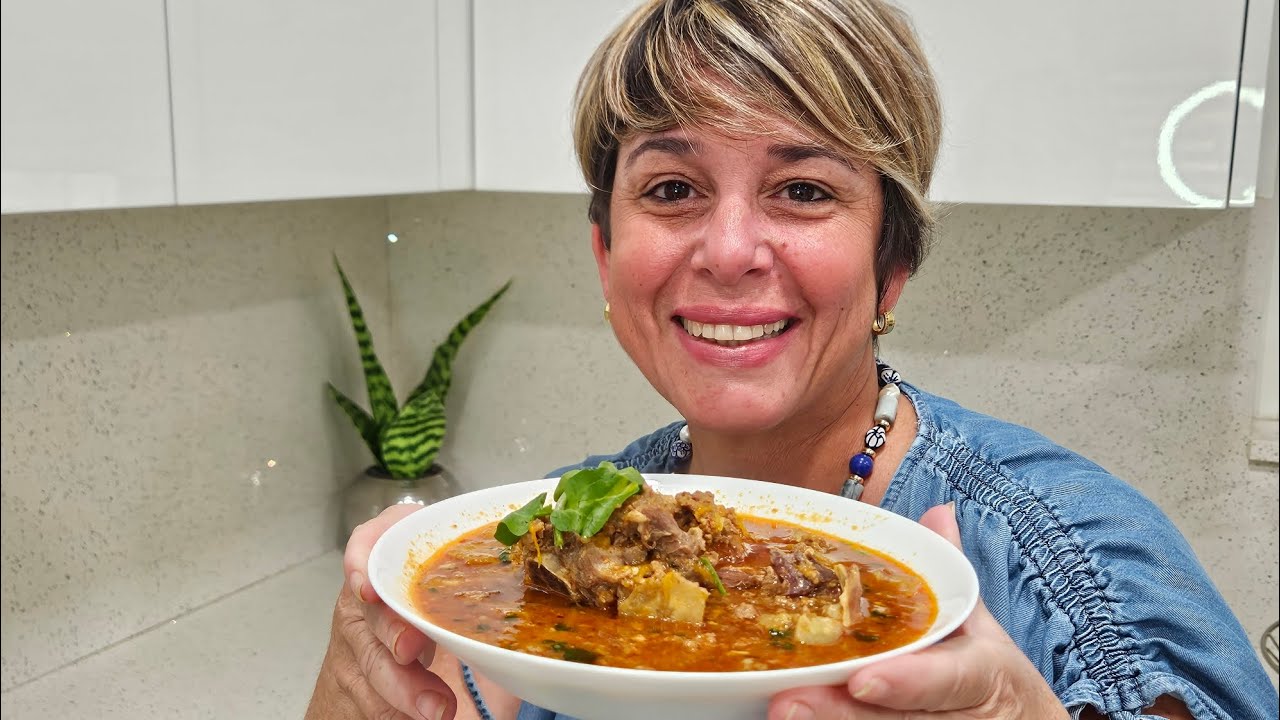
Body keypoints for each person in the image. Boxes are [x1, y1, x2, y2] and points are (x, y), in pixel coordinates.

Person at [305, 1, 1278, 718]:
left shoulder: (1057, 556)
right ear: (607, 256)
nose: (728, 250)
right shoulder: (545, 539)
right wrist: (358, 687)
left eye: (803, 190)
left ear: (890, 264)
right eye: (674, 185)